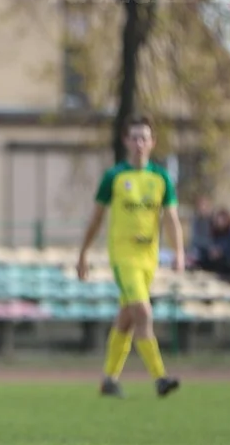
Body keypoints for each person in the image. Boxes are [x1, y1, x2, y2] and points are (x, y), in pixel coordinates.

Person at [76, 115, 184, 398]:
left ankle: (108, 380)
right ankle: (160, 378)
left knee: (126, 317)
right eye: (134, 137)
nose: (138, 143)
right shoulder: (114, 177)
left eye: (144, 138)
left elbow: (172, 218)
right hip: (123, 256)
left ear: (152, 143)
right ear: (126, 141)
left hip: (149, 257)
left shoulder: (161, 178)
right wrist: (83, 254)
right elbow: (96, 219)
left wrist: (179, 252)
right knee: (143, 311)